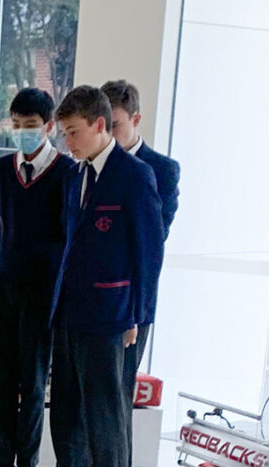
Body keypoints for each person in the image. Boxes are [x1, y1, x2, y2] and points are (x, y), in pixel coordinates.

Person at [28, 86, 164, 467]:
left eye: (74, 132)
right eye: (64, 133)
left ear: (100, 125)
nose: (68, 142)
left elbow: (149, 254)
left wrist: (138, 318)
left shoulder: (134, 176)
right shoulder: (75, 176)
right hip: (68, 310)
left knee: (105, 413)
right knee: (64, 409)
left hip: (112, 315)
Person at [0, 88, 75, 467]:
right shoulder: (2, 171)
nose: (22, 133)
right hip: (3, 288)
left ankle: (28, 466)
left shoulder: (66, 174)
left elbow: (67, 235)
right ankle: (3, 465)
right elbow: (0, 220)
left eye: (30, 127)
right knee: (0, 378)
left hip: (42, 294)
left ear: (49, 127)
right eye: (16, 126)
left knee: (34, 382)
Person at [101, 79, 180, 431]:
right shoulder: (89, 164)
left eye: (114, 125)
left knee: (119, 391)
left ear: (136, 120)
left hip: (131, 297)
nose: (107, 133)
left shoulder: (160, 169)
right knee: (88, 394)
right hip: (91, 294)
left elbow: (153, 240)